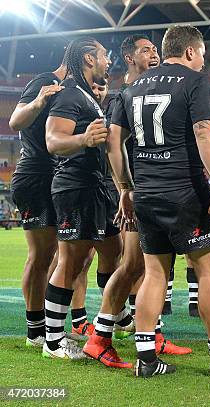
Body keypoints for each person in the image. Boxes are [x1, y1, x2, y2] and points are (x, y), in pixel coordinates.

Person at [109, 25, 210, 377]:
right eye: (202, 54)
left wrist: (125, 187)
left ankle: (146, 360)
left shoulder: (131, 87)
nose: (203, 61)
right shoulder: (193, 80)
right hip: (185, 191)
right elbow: (205, 132)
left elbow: (113, 142)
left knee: (154, 273)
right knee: (208, 273)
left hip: (146, 192)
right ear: (190, 52)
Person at [85, 34, 192, 370]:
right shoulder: (122, 98)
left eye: (156, 49)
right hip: (140, 196)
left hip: (151, 193)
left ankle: (151, 336)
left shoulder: (151, 91)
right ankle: (100, 338)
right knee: (134, 265)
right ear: (128, 57)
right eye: (146, 50)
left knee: (148, 267)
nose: (155, 54)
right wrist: (125, 190)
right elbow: (113, 146)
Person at [43, 37, 121, 360]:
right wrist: (84, 138)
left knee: (115, 252)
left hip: (96, 188)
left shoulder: (90, 97)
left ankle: (113, 318)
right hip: (74, 188)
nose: (108, 61)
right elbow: (52, 140)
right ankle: (53, 340)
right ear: (90, 59)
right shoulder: (72, 95)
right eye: (104, 56)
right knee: (71, 262)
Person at [9, 47, 68, 348]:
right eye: (100, 56)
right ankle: (35, 331)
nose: (106, 62)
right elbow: (16, 121)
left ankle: (43, 324)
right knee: (41, 256)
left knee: (54, 255)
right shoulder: (46, 81)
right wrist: (39, 100)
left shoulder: (70, 91)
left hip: (52, 179)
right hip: (35, 178)